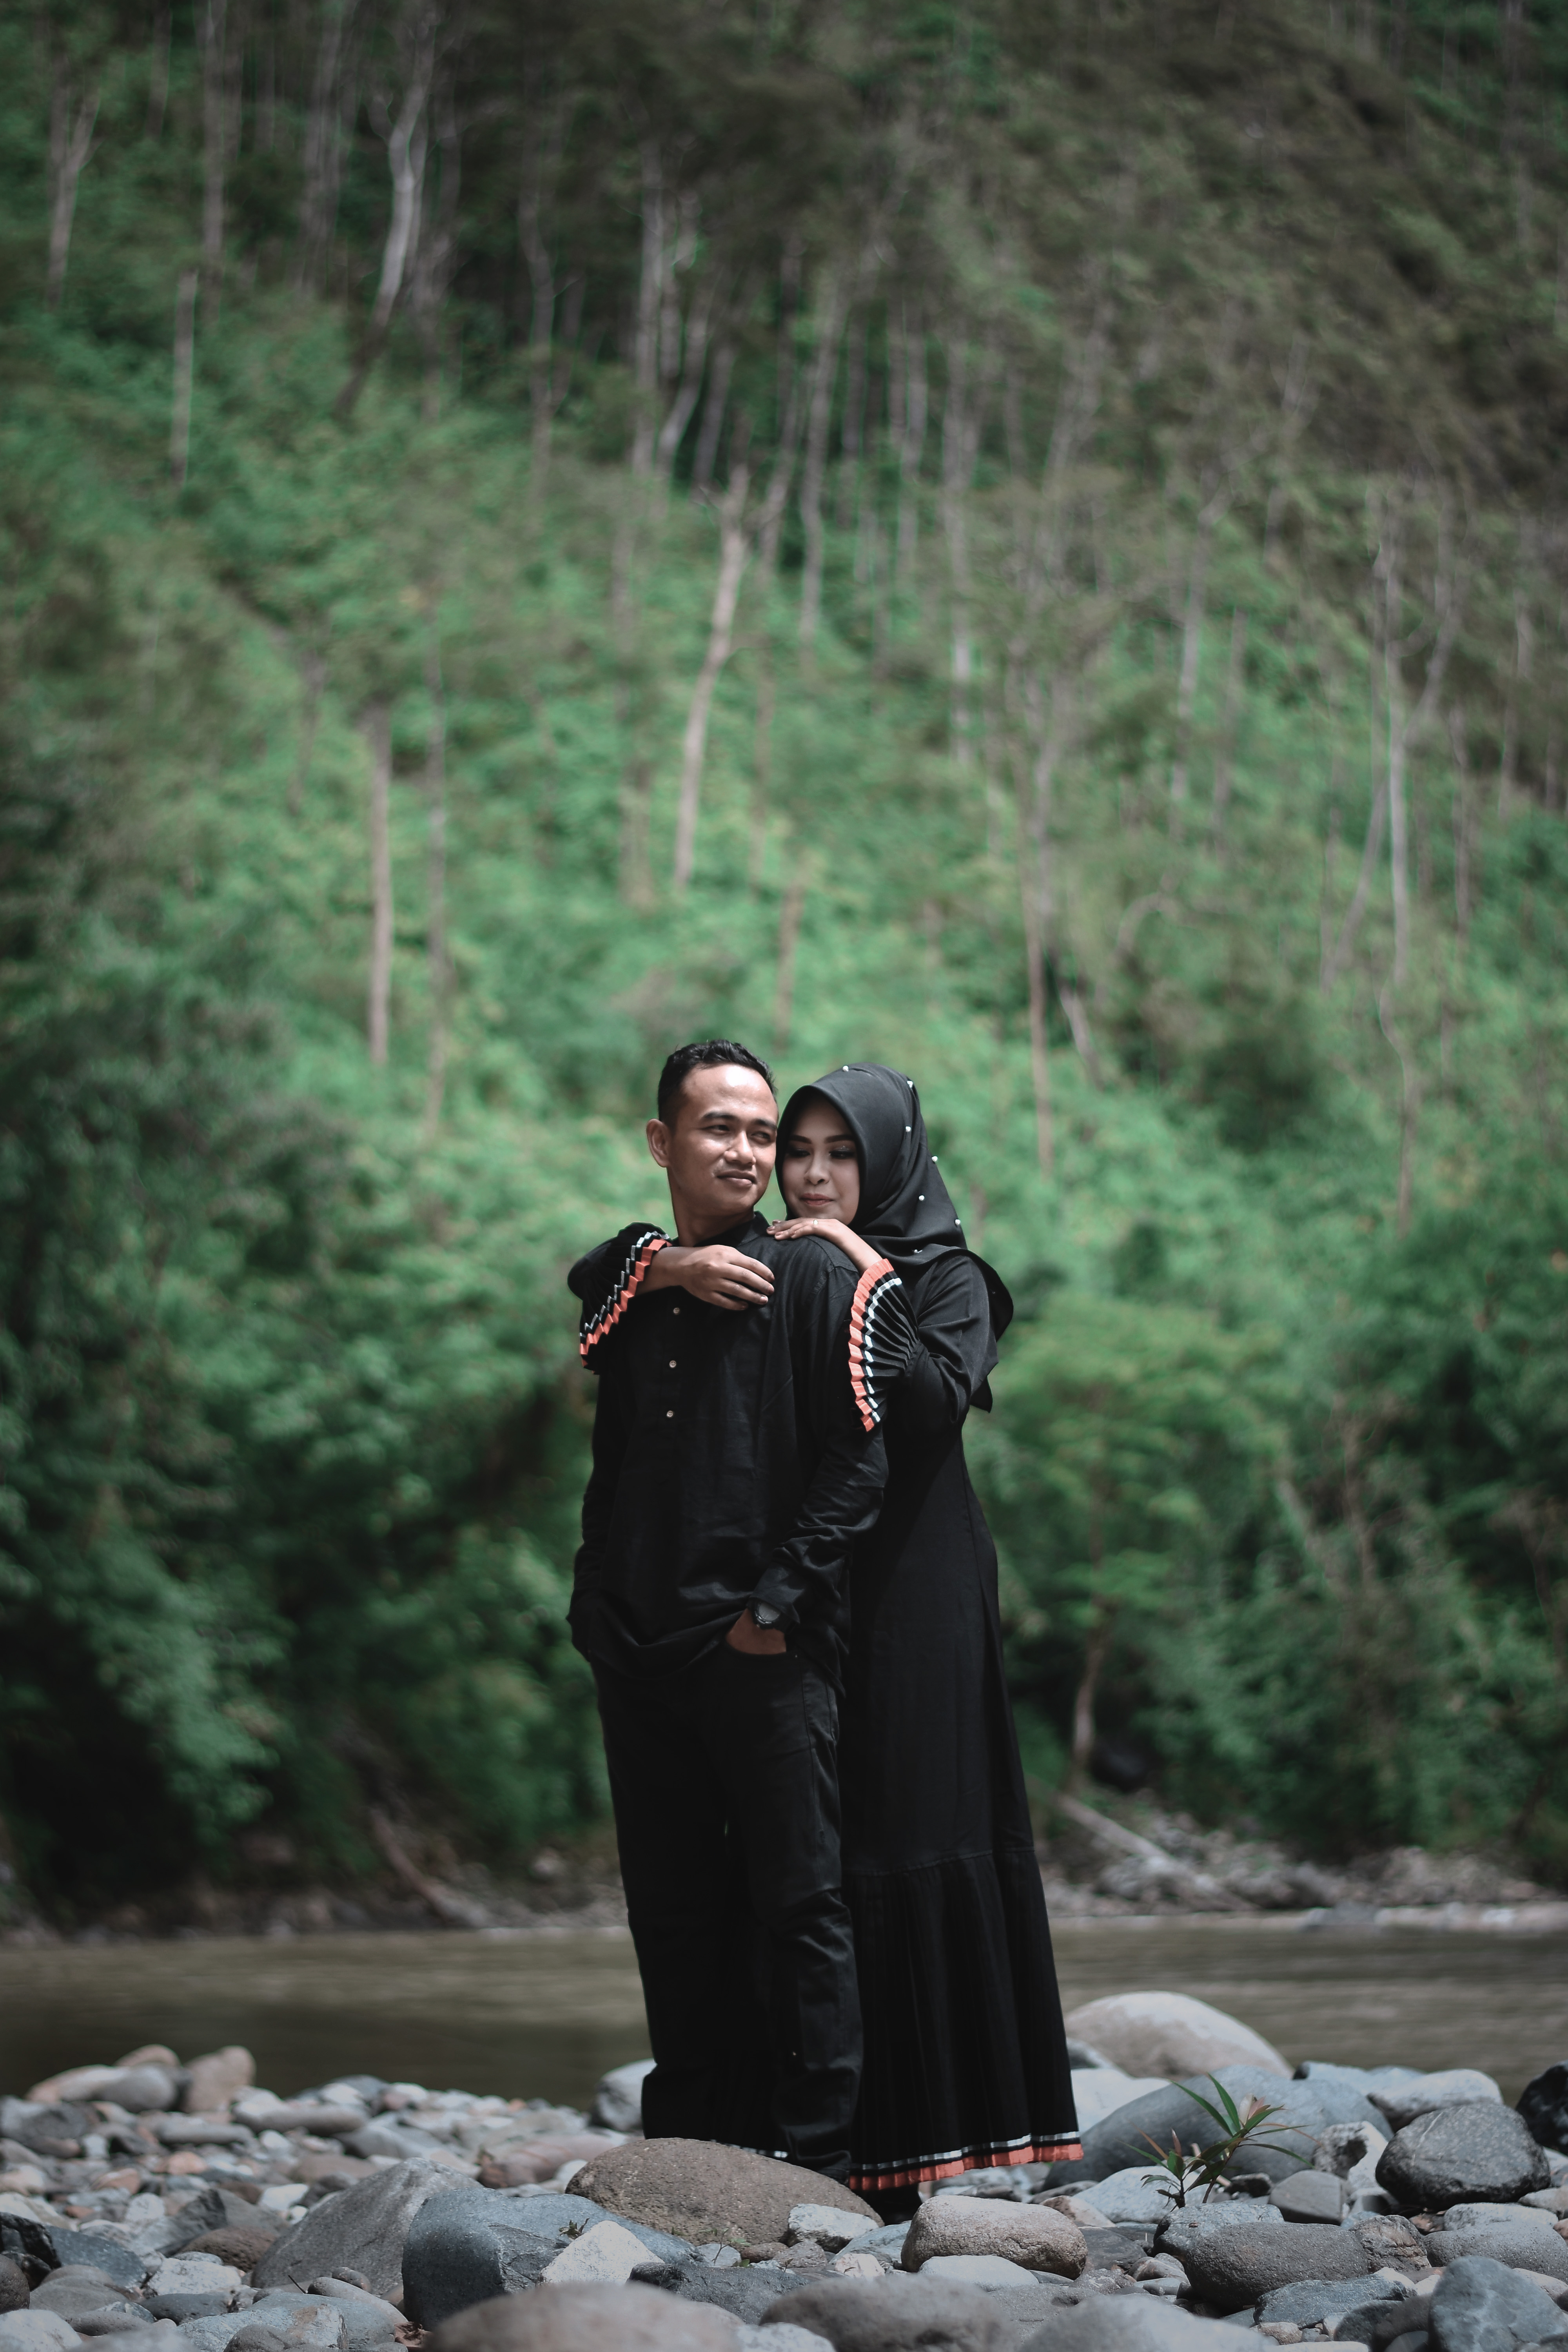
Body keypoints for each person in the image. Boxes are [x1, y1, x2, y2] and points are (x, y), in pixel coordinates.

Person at [574, 1061, 1081, 2212]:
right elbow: (601, 1284)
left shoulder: (943, 1279)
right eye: (796, 1151)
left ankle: (918, 2136)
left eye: (837, 1153)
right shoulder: (751, 1267)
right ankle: (768, 2139)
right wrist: (664, 1263)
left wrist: (863, 1267)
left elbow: (923, 1410)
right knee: (801, 1869)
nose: (807, 1174)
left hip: (912, 1594)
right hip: (811, 1590)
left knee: (891, 1847)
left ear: (891, 1161)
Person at [566, 1039, 887, 2184]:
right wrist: (593, 1596)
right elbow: (591, 1284)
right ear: (664, 1142)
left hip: (761, 1647)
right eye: (721, 1128)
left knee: (800, 1904)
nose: (749, 1152)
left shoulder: (807, 1274)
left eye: (762, 1133)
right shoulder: (635, 1282)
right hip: (636, 1642)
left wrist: (777, 1605)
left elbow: (861, 1464)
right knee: (670, 1907)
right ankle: (689, 2149)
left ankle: (822, 2161)